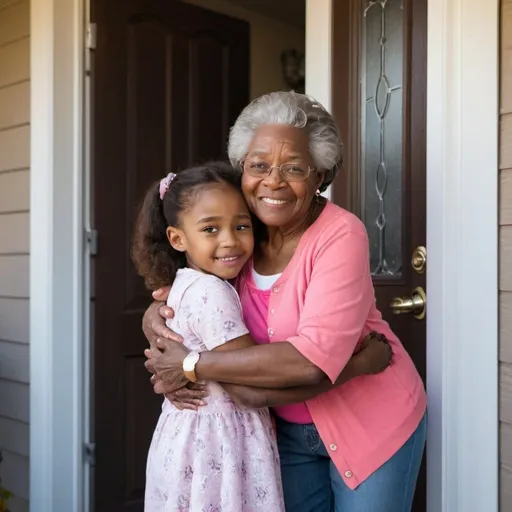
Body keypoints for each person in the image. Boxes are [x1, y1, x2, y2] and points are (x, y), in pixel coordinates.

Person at [143, 92, 427, 512]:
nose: (273, 182)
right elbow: (185, 296)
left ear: (320, 176)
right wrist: (157, 320)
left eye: (293, 168)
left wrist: (189, 364)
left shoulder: (340, 235)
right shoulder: (239, 232)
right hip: (283, 434)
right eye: (258, 166)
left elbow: (308, 362)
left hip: (370, 420)